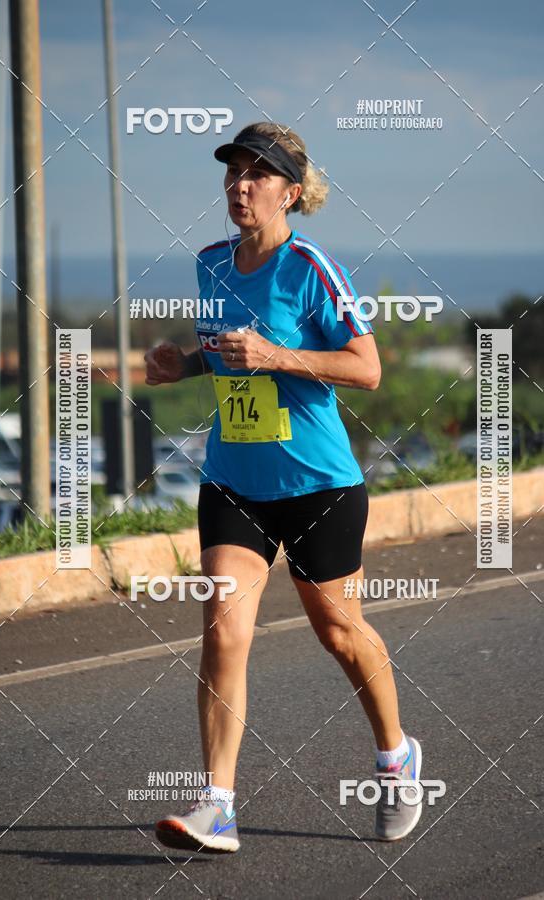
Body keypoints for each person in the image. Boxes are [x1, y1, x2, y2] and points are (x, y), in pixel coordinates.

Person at [145, 122, 423, 853]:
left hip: (317, 484)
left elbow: (366, 368)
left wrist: (278, 354)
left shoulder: (310, 268)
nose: (240, 186)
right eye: (233, 173)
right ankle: (217, 806)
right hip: (236, 480)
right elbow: (224, 354)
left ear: (290, 192)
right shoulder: (210, 264)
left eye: (257, 175)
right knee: (223, 631)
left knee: (338, 632)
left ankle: (396, 759)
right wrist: (186, 365)